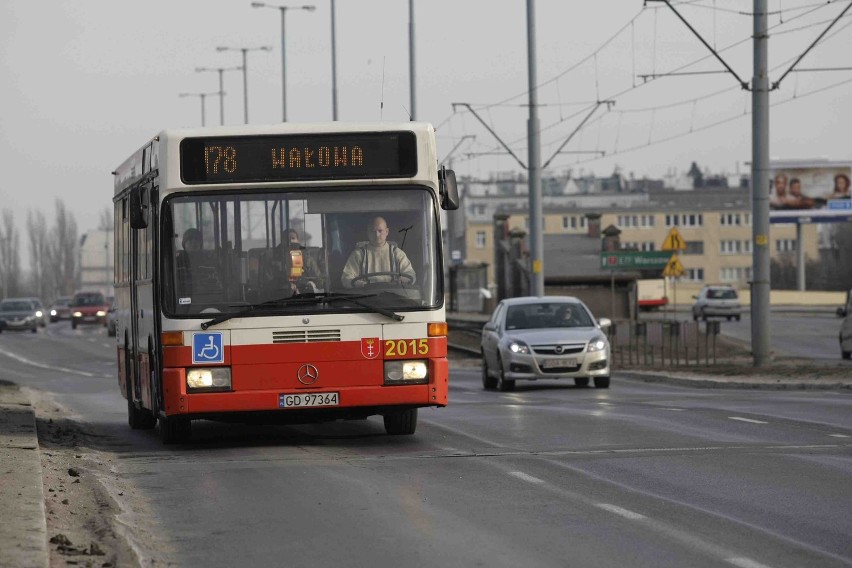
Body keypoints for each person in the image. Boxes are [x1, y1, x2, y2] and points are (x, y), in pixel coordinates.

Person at [341, 216, 416, 288]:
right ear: (368, 233)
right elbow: (346, 278)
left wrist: (403, 279)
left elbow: (411, 275)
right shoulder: (358, 254)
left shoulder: (398, 254)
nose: (377, 235)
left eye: (380, 231)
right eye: (373, 231)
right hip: (364, 297)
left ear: (387, 232)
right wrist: (358, 284)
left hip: (394, 297)